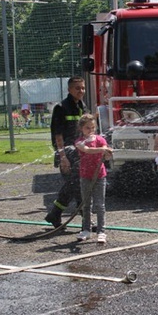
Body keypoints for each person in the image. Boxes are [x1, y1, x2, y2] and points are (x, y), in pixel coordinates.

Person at [45, 76, 87, 228]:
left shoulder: (82, 106)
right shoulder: (61, 108)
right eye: (77, 88)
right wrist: (63, 158)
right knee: (77, 185)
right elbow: (58, 135)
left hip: (79, 153)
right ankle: (85, 218)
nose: (81, 91)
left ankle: (55, 214)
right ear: (69, 90)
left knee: (73, 185)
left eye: (83, 88)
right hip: (66, 154)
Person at [74, 114, 113, 243]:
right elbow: (87, 150)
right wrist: (102, 149)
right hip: (85, 176)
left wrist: (108, 153)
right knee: (86, 204)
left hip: (100, 176)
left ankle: (101, 231)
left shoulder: (101, 140)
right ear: (81, 129)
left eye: (92, 128)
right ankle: (86, 229)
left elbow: (106, 158)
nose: (90, 131)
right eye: (87, 128)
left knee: (99, 205)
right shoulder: (79, 142)